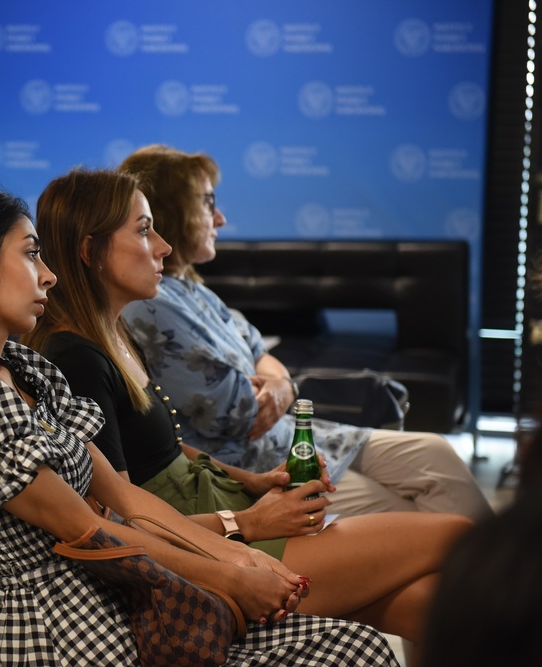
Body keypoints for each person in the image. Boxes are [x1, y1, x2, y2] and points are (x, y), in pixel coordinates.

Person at [0, 184, 400, 665]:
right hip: (75, 629)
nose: (49, 276)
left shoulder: (22, 367)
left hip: (125, 592)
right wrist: (229, 571)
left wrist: (240, 555)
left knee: (358, 645)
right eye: (30, 255)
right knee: (350, 651)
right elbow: (88, 531)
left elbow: (127, 502)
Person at [23, 167, 472, 659]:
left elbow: (166, 449)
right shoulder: (74, 358)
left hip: (219, 512)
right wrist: (245, 523)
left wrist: (255, 482)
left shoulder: (112, 334)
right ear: (91, 252)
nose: (164, 247)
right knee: (459, 536)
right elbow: (122, 520)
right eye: (144, 229)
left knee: (429, 602)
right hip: (197, 550)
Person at [116, 144, 492, 521]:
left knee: (436, 455)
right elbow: (236, 413)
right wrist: (272, 382)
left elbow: (260, 350)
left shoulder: (194, 289)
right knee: (411, 507)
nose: (221, 219)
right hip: (256, 464)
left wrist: (281, 386)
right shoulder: (152, 303)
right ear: (169, 212)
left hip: (290, 437)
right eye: (207, 203)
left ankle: (496, 574)